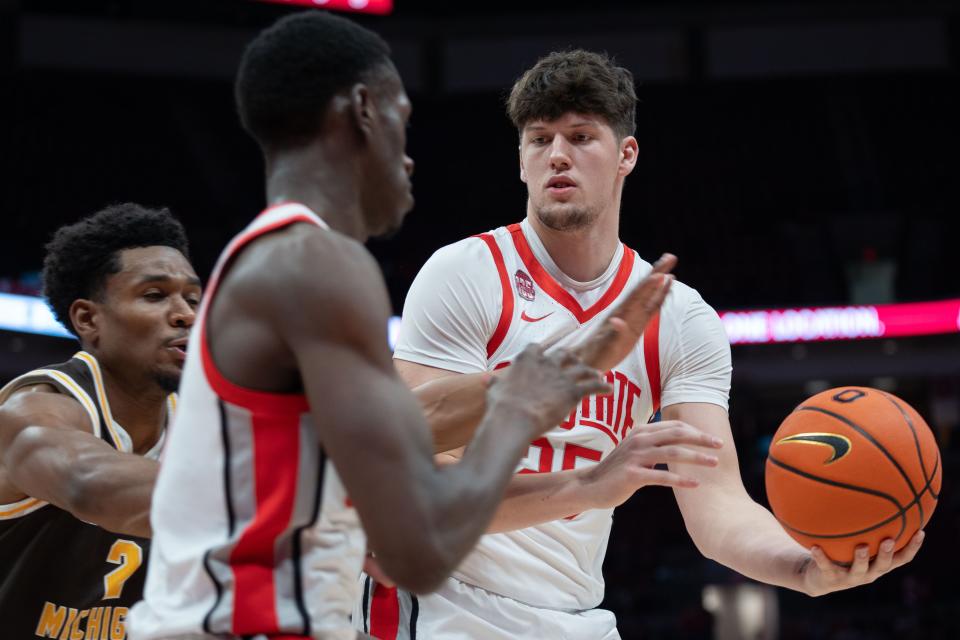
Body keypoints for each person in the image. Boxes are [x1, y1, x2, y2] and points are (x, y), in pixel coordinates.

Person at [357, 50, 925, 639]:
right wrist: (589, 486)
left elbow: (718, 503)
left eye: (580, 137)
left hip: (576, 615)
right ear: (520, 161)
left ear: (626, 154)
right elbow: (418, 491)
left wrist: (804, 568)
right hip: (440, 601)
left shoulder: (679, 317)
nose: (557, 155)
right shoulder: (464, 275)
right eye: (538, 139)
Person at [128, 14, 661, 640]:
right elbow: (419, 546)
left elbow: (390, 452)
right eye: (402, 121)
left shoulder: (273, 255)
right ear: (361, 111)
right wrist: (522, 413)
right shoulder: (319, 264)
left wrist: (536, 382)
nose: (408, 159)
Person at [0, 203, 200, 639]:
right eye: (155, 295)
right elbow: (89, 484)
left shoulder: (197, 427)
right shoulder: (35, 409)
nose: (185, 313)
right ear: (89, 318)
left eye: (193, 298)